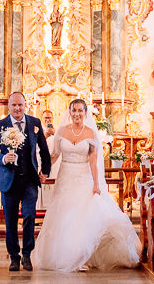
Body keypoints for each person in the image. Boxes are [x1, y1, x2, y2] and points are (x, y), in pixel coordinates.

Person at [33, 98, 140, 272]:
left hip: (84, 177)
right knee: (65, 215)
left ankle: (83, 255)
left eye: (80, 111)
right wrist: (43, 172)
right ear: (69, 112)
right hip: (66, 177)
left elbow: (92, 160)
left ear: (85, 113)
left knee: (82, 215)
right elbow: (54, 155)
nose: (76, 114)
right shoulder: (61, 132)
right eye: (73, 110)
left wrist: (96, 184)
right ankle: (68, 255)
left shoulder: (90, 133)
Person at [0, 92, 51, 272]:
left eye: (20, 105)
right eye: (14, 105)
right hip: (9, 180)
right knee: (10, 219)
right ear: (9, 105)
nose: (17, 108)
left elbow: (44, 150)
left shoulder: (35, 123)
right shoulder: (0, 125)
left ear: (25, 105)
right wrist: (3, 158)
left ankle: (27, 255)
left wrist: (45, 171)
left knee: (30, 216)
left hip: (30, 179)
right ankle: (14, 257)